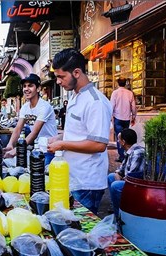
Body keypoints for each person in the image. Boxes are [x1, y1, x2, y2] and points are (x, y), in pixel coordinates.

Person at [47, 48, 112, 215]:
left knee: (81, 233)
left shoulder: (95, 102)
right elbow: (79, 133)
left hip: (87, 183)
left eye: (61, 77)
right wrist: (59, 137)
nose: (59, 82)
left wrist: (62, 144)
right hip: (73, 177)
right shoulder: (76, 96)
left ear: (76, 72)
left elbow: (98, 144)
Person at [4, 73, 58, 166]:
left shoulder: (44, 107)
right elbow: (18, 129)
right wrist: (10, 144)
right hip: (37, 149)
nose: (26, 89)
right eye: (24, 86)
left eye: (30, 86)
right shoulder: (25, 107)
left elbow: (34, 133)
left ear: (38, 89)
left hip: (49, 150)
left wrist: (16, 150)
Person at [108, 128, 145, 220]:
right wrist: (118, 174)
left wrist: (119, 177)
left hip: (137, 185)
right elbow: (121, 170)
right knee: (110, 177)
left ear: (123, 142)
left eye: (119, 139)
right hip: (128, 180)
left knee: (116, 185)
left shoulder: (137, 153)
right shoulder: (129, 151)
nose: (118, 141)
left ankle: (119, 216)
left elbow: (131, 177)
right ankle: (116, 205)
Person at [110, 77, 137, 162]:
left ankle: (122, 156)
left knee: (119, 137)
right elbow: (133, 106)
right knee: (126, 137)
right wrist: (133, 116)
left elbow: (111, 106)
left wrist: (110, 117)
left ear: (118, 83)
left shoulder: (115, 93)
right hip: (126, 118)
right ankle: (127, 155)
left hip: (117, 118)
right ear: (125, 83)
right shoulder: (130, 93)